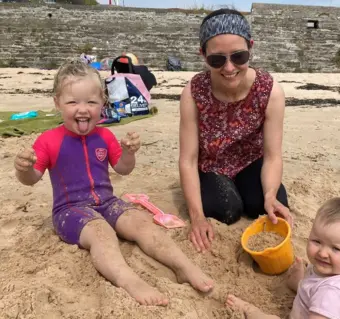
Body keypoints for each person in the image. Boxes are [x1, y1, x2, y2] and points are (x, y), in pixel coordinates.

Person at [14, 59, 214, 306]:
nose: (83, 109)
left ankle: (184, 266)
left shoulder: (105, 135)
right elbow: (31, 179)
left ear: (103, 103)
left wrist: (129, 153)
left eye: (91, 102)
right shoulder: (48, 140)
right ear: (57, 103)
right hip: (70, 211)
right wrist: (23, 169)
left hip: (108, 202)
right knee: (102, 233)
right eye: (72, 102)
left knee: (142, 223)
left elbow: (123, 169)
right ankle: (130, 280)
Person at [179, 8, 292, 253]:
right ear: (203, 54)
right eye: (217, 60)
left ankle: (252, 192)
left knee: (269, 208)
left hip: (251, 161)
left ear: (251, 47)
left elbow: (273, 156)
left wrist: (270, 194)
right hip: (212, 165)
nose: (229, 68)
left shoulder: (270, 91)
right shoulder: (193, 92)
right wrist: (196, 217)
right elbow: (188, 159)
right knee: (225, 210)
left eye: (238, 56)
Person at [226, 197, 340, 319]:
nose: (322, 253)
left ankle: (250, 310)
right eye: (317, 241)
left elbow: (327, 300)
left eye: (336, 249)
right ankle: (301, 285)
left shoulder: (330, 295)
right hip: (320, 303)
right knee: (312, 285)